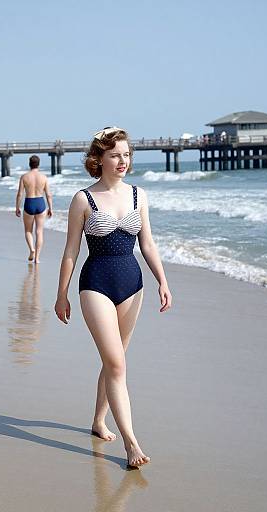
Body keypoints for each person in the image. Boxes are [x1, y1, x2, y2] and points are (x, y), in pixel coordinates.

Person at [54, 127, 172, 468]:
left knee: (114, 360)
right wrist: (62, 293)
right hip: (96, 285)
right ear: (99, 159)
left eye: (126, 154)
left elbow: (147, 243)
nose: (123, 161)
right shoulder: (83, 199)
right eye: (115, 155)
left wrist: (163, 281)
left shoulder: (139, 195)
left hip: (132, 285)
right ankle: (132, 444)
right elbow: (71, 251)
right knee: (118, 364)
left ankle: (98, 420)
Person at [15, 155, 53, 263]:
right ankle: (37, 258)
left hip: (29, 203)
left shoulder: (24, 177)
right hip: (40, 203)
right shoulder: (44, 177)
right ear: (38, 164)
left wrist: (17, 207)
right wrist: (51, 208)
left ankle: (32, 249)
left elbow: (20, 194)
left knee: (28, 230)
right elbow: (48, 194)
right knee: (39, 231)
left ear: (29, 163)